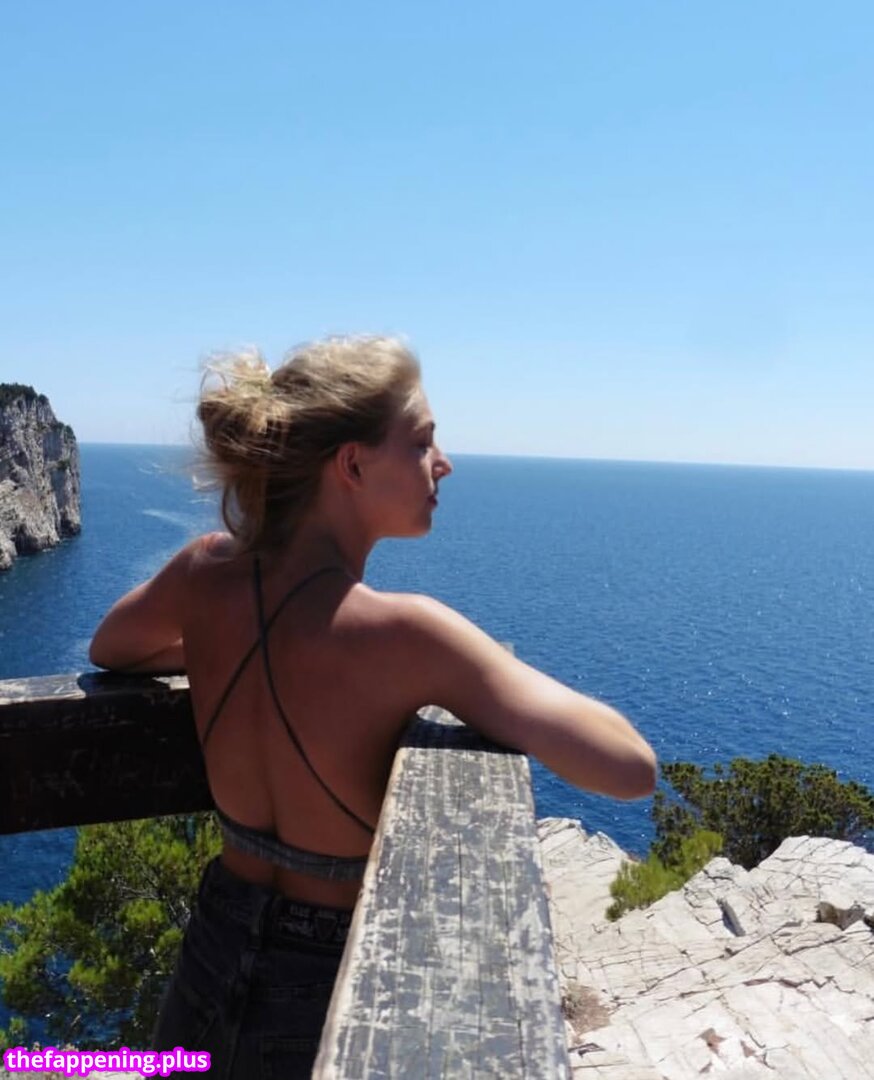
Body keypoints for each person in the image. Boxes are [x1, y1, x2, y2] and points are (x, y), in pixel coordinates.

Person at [89, 335, 656, 1078]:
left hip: (212, 944)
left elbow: (113, 647)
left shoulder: (204, 571)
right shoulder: (408, 634)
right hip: (329, 974)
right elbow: (630, 767)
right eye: (421, 441)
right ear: (352, 465)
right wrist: (485, 679)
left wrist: (213, 647)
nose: (443, 462)